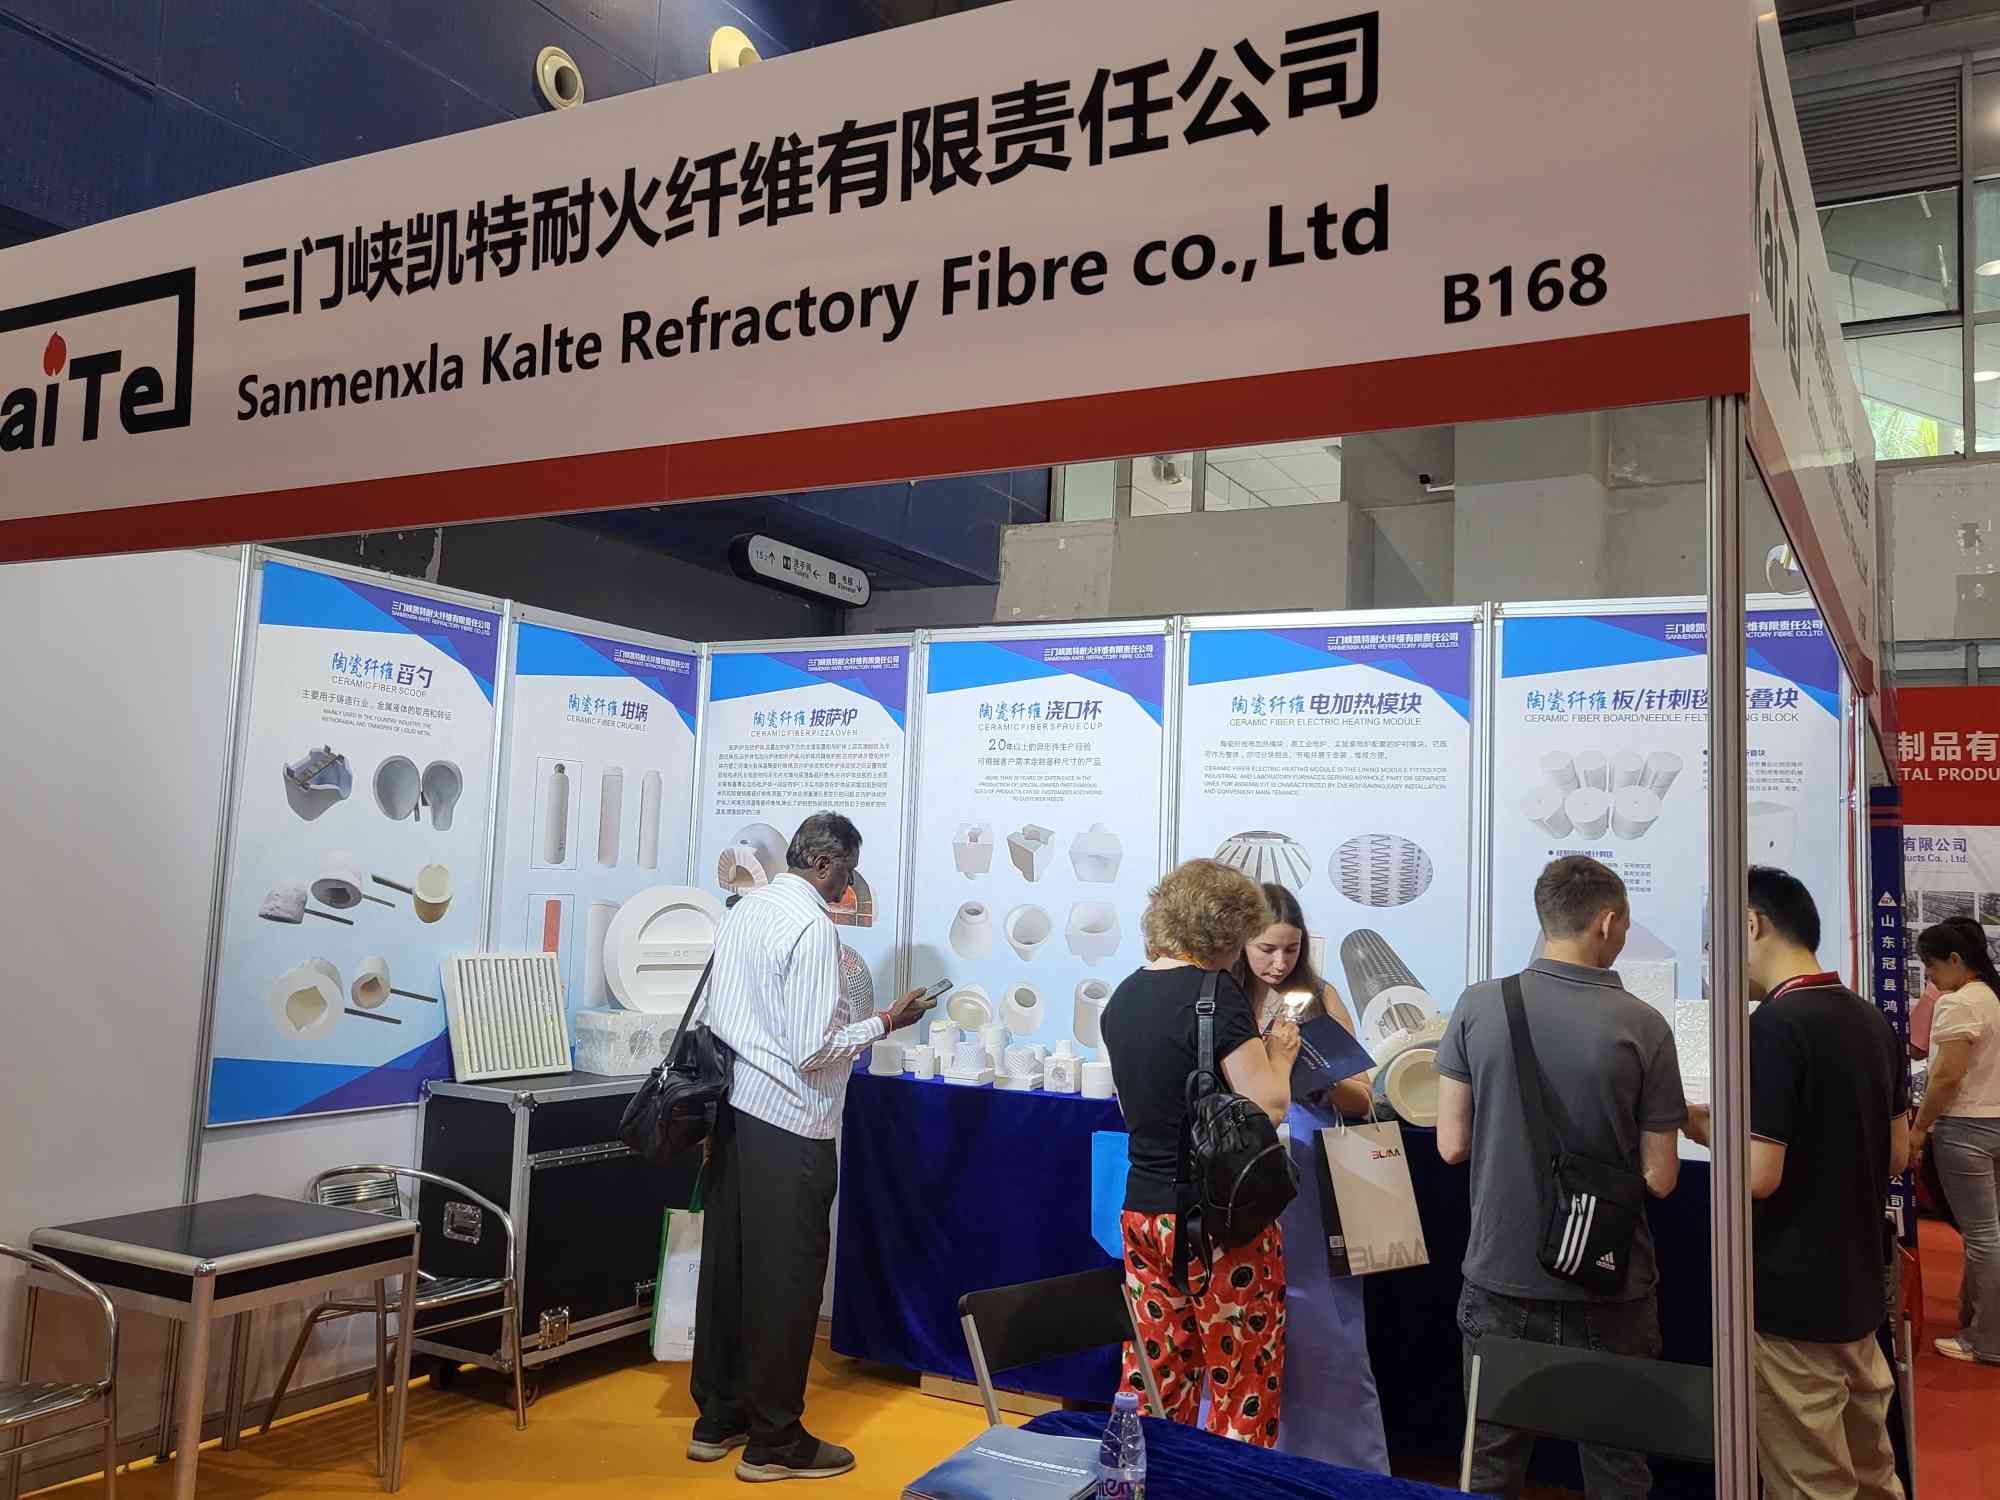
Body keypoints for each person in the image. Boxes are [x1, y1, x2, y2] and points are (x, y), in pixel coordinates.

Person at [689, 812, 934, 1482]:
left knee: (731, 1270)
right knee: (788, 1281)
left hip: (733, 1113)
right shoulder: (811, 927)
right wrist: (886, 1021)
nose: (848, 887)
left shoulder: (745, 910)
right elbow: (812, 1048)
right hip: (790, 1122)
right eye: (847, 873)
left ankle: (718, 1418)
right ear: (825, 864)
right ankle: (774, 1440)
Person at [1435, 855, 1683, 1500]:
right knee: (1618, 1466)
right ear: (1607, 921)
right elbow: (1660, 1177)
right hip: (1610, 1281)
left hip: (1501, 1275)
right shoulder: (1645, 1025)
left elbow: (1452, 1145)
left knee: (1488, 1465)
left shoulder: (1478, 1005)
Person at [1686, 867, 1909, 1499]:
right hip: (1857, 1295)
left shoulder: (1774, 1027)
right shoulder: (1870, 1020)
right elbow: (1896, 1154)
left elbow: (1759, 1175)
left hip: (1790, 1301)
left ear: (1750, 924)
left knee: (1809, 1482)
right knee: (1873, 1473)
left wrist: (1702, 1130)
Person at [1101, 859, 1298, 1446]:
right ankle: (1231, 1485)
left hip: (1144, 1210)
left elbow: (1129, 1105)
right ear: (1228, 930)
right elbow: (1268, 1106)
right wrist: (1280, 1054)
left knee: (1156, 1373)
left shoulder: (1123, 997)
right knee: (1243, 1376)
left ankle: (1146, 1478)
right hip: (1222, 1222)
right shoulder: (1218, 996)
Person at [1231, 883, 1388, 1471]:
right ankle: (1241, 1455)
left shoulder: (1320, 998)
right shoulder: (1221, 998)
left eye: (1291, 950)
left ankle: (1339, 1462)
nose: (1279, 963)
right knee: (1243, 1319)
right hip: (1244, 1177)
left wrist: (1318, 1078)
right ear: (1240, 943)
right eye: (1267, 949)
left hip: (1317, 1183)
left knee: (1325, 1325)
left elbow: (1364, 1097)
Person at [1912, 916, 2000, 1365]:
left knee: (1983, 1237)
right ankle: (1978, 1326)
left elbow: (1946, 1076)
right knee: (1990, 1234)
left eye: (1931, 966)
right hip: (1994, 1120)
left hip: (1965, 1127)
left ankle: (1986, 1340)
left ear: (1954, 959)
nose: (1929, 977)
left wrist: (1919, 1129)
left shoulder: (1958, 1003)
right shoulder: (1992, 997)